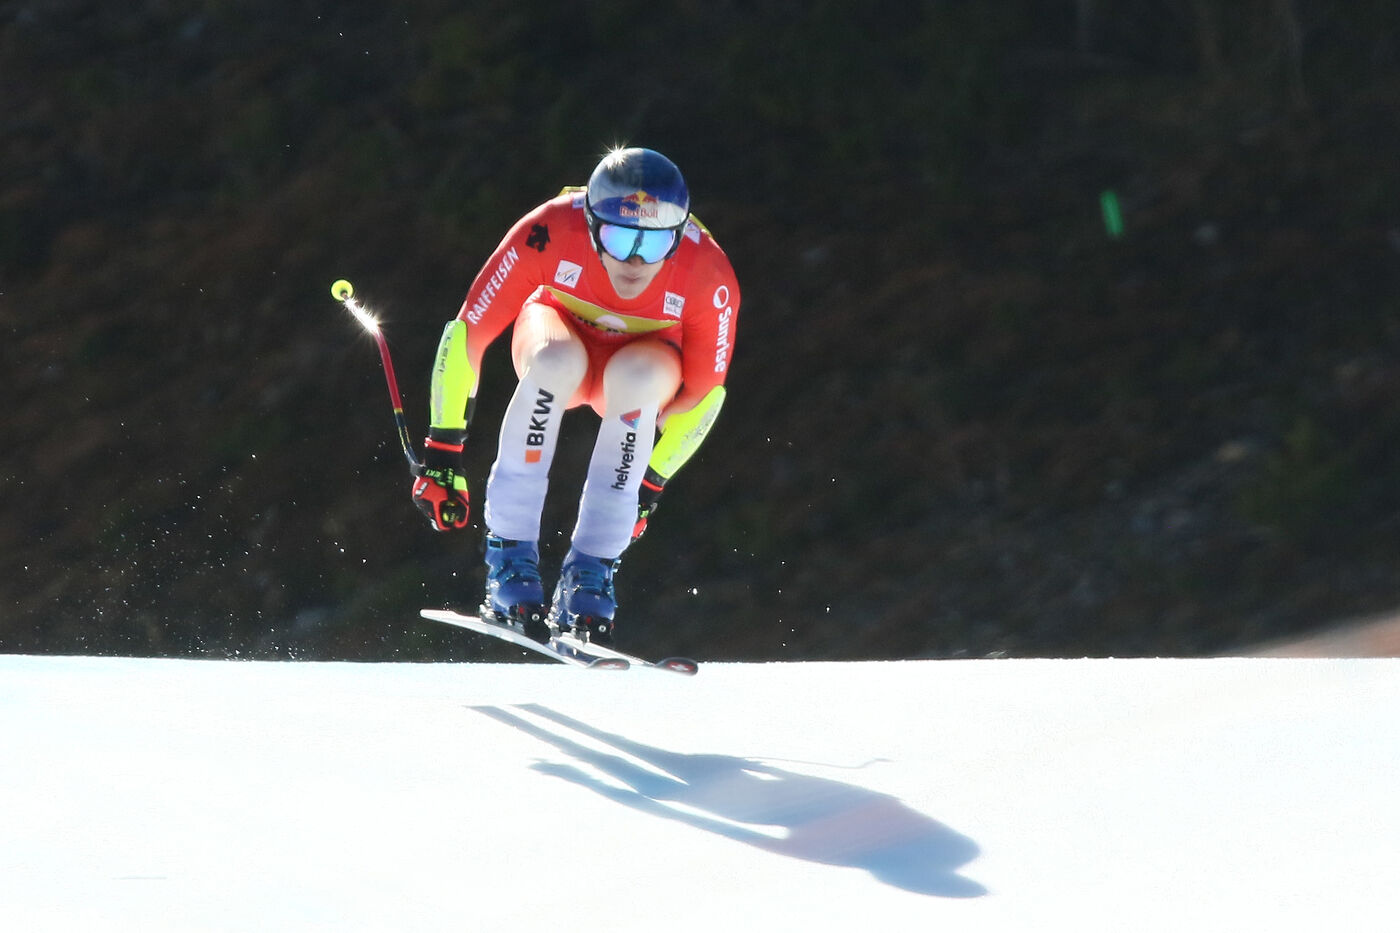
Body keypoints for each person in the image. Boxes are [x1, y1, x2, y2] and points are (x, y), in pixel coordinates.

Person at [410, 147, 740, 646]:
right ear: (590, 224)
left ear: (677, 238)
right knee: (555, 363)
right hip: (556, 332)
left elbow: (702, 398)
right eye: (619, 238)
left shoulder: (708, 274)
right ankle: (509, 558)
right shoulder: (550, 229)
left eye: (653, 244)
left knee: (638, 380)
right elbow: (466, 336)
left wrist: (650, 485)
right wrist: (442, 450)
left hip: (641, 364)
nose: (634, 259)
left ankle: (591, 573)